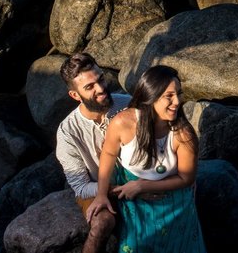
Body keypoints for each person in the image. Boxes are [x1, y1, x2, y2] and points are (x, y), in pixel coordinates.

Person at [86, 64, 206, 253]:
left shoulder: (183, 134)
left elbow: (186, 178)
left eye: (178, 94)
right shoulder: (122, 123)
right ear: (151, 97)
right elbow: (108, 154)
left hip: (172, 196)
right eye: (169, 96)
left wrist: (143, 186)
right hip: (133, 195)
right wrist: (101, 194)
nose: (177, 101)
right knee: (135, 246)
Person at [56, 52, 131, 253]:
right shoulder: (68, 132)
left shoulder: (129, 105)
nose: (101, 89)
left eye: (101, 79)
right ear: (75, 95)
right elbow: (80, 187)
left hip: (140, 179)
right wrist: (114, 189)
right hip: (98, 188)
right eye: (89, 87)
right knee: (102, 222)